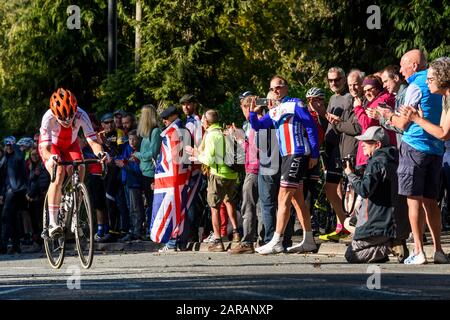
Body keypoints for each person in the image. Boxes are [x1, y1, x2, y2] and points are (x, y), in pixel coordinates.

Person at [249, 75, 320, 255]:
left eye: (279, 87)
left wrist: (314, 153)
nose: (276, 91)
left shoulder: (295, 104)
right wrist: (253, 111)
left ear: (287, 87)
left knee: (283, 197)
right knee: (297, 200)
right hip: (287, 155)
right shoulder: (274, 110)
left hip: (296, 153)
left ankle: (277, 240)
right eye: (273, 89)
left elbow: (310, 126)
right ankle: (309, 239)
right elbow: (258, 126)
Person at [389, 50, 447, 264]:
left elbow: (403, 123)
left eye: (403, 66)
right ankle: (439, 250)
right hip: (436, 148)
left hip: (415, 146)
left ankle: (419, 251)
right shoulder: (439, 86)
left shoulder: (415, 86)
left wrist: (387, 116)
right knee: (431, 201)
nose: (401, 71)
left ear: (414, 66)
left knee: (413, 201)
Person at [38, 88, 108, 238]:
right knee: (58, 174)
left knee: (81, 166)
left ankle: (76, 212)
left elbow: (92, 141)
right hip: (52, 147)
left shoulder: (81, 115)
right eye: (62, 118)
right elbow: (45, 149)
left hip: (71, 144)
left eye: (70, 116)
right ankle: (52, 222)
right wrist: (51, 157)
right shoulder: (48, 118)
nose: (67, 121)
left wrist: (101, 153)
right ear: (55, 114)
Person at [186, 109, 241, 252]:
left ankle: (218, 241)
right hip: (231, 174)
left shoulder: (211, 135)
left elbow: (209, 160)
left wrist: (196, 154)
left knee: (214, 208)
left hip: (218, 175)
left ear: (206, 121)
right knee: (229, 202)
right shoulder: (224, 132)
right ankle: (236, 233)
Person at [343, 126, 397, 263]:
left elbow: (364, 190)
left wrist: (350, 175)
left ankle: (389, 247)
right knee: (348, 222)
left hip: (377, 223)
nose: (362, 145)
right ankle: (389, 244)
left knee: (351, 254)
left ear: (377, 144)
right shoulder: (394, 159)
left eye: (366, 142)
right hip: (392, 220)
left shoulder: (376, 162)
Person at [320, 67, 355, 242]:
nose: (334, 83)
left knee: (348, 190)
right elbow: (330, 124)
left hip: (345, 149)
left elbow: (350, 126)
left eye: (337, 79)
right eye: (330, 80)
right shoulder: (333, 98)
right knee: (331, 189)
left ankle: (349, 226)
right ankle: (342, 225)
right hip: (331, 149)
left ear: (344, 79)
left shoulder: (349, 98)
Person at [229, 91, 263, 254]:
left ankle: (248, 241)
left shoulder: (257, 123)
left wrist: (241, 140)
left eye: (244, 106)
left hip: (256, 168)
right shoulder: (251, 124)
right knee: (258, 206)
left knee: (249, 205)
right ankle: (260, 239)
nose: (243, 110)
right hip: (254, 167)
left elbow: (256, 149)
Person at [134, 104, 162, 239]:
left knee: (152, 203)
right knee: (148, 203)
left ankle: (153, 231)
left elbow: (153, 152)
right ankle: (150, 230)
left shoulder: (155, 132)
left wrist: (138, 155)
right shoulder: (147, 133)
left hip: (151, 172)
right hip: (145, 172)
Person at [180, 94, 204, 242]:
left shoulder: (195, 122)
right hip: (190, 166)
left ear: (194, 104)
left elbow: (199, 143)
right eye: (183, 105)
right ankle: (190, 233)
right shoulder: (189, 122)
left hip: (195, 166)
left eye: (188, 104)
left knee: (191, 201)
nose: (185, 107)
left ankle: (192, 234)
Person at [116, 130, 145, 241]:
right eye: (130, 139)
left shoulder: (140, 150)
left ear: (138, 140)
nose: (131, 142)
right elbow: (121, 158)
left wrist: (125, 165)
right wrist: (120, 162)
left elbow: (138, 169)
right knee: (129, 207)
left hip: (135, 182)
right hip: (127, 181)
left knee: (135, 208)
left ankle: (137, 231)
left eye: (134, 139)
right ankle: (132, 230)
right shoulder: (127, 148)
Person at [0, 137, 27, 254]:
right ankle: (16, 245)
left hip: (16, 191)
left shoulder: (18, 156)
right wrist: (1, 194)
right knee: (13, 219)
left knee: (6, 217)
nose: (8, 147)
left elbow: (20, 158)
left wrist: (15, 147)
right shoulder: (5, 158)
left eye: (10, 145)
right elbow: (2, 178)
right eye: (6, 145)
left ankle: (3, 245)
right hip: (8, 191)